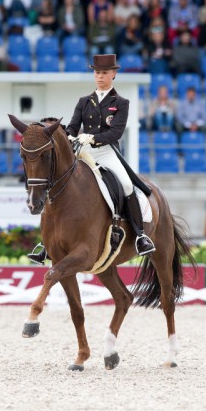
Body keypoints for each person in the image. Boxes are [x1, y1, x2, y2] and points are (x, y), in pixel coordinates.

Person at [27, 54, 155, 264]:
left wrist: (93, 138)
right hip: (83, 150)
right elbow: (72, 127)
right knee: (56, 183)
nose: (100, 76)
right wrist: (69, 136)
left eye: (104, 73)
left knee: (126, 184)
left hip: (106, 151)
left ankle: (140, 235)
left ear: (113, 74)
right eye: (97, 72)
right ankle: (46, 244)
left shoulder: (121, 103)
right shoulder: (84, 101)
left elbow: (116, 133)